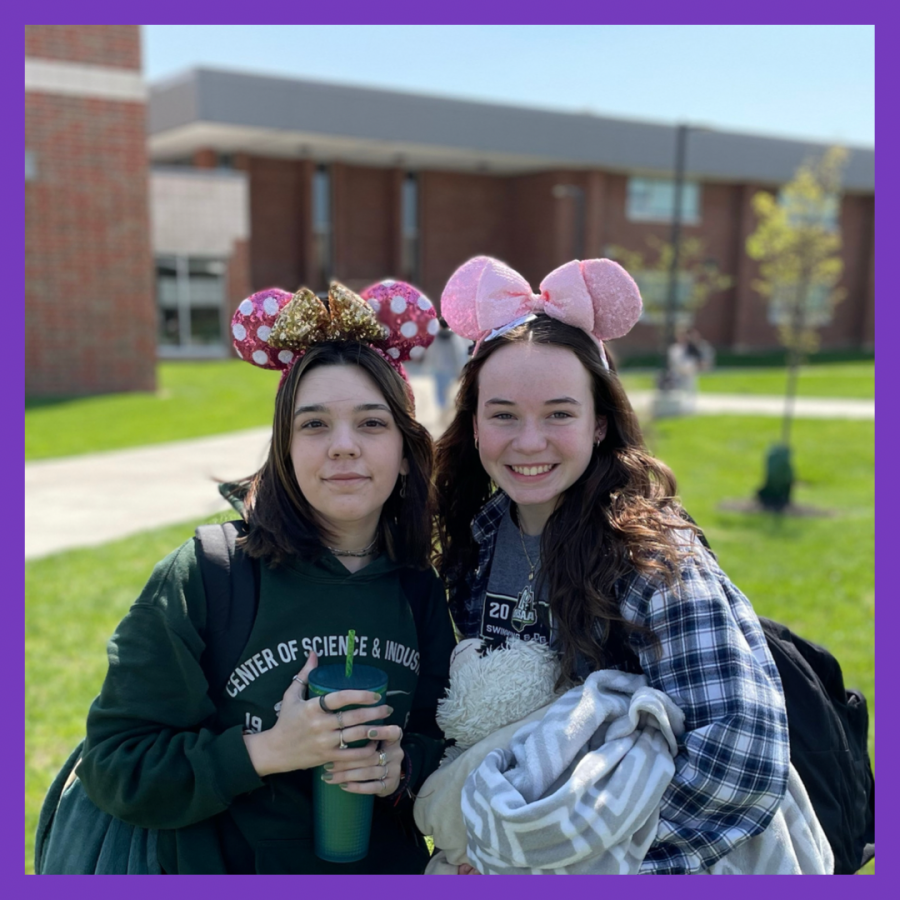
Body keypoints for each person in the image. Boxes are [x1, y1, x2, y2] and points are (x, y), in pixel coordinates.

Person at [76, 279, 456, 874]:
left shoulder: (419, 587)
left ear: (406, 450)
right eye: (314, 425)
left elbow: (447, 746)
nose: (343, 447)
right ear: (283, 448)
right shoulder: (209, 574)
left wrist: (400, 769)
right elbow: (116, 765)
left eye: (372, 424)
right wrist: (265, 751)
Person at [433, 255, 790, 875]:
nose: (529, 441)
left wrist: (581, 863)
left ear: (600, 423)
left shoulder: (654, 560)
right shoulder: (476, 544)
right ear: (473, 422)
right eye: (504, 414)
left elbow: (742, 753)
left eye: (559, 413)